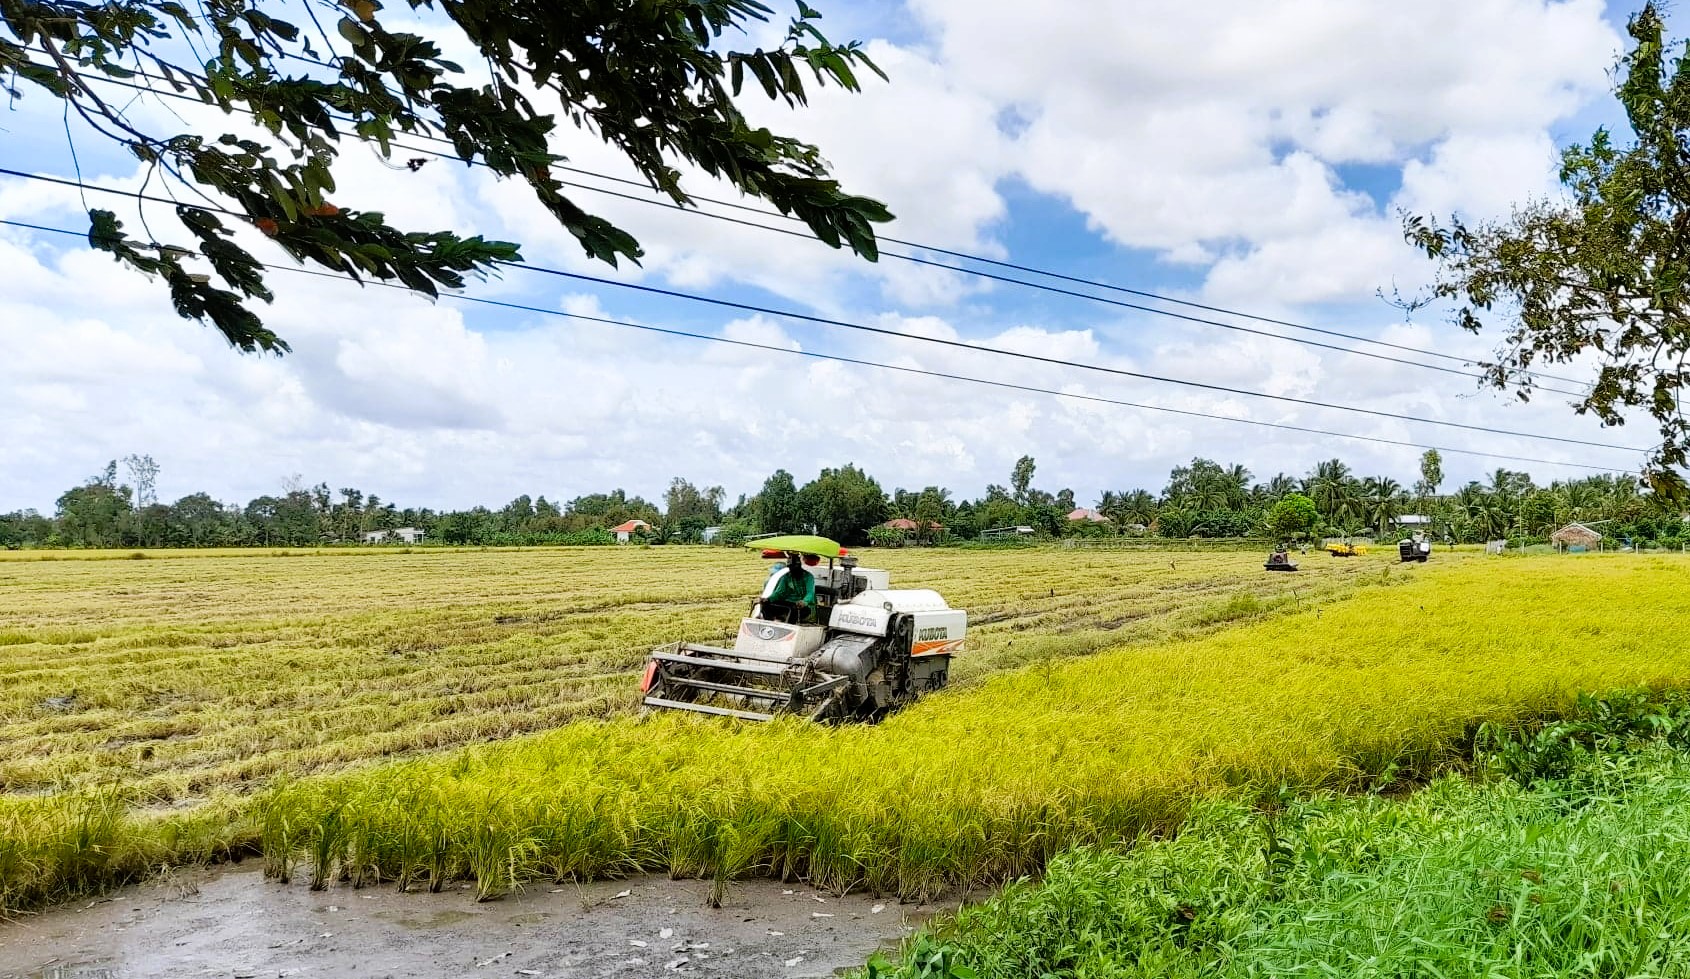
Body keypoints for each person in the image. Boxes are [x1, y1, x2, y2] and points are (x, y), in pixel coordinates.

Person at [760, 551, 816, 621]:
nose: (792, 570)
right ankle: (769, 624)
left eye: (794, 567)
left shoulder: (808, 577)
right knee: (766, 606)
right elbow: (779, 593)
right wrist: (768, 599)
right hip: (788, 604)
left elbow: (810, 593)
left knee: (793, 610)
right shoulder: (787, 576)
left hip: (804, 606)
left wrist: (804, 602)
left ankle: (789, 626)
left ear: (799, 566)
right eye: (790, 568)